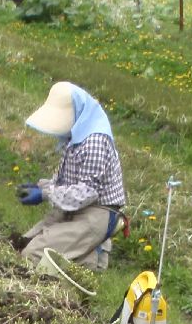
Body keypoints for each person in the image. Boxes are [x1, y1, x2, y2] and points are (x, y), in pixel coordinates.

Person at [15, 81, 126, 271]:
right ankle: (86, 257)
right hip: (75, 209)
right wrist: (42, 187)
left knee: (33, 254)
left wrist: (45, 195)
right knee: (23, 243)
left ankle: (90, 260)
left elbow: (85, 192)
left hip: (95, 212)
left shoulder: (95, 142)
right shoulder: (76, 138)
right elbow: (69, 183)